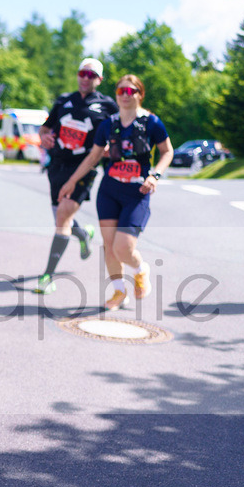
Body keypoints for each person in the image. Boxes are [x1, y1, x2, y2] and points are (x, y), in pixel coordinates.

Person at [59, 74, 173, 310]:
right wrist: (72, 181)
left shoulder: (152, 123)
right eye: (121, 91)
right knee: (108, 246)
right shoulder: (108, 124)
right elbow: (93, 156)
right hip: (109, 191)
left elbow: (167, 152)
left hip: (136, 192)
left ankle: (141, 270)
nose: (124, 95)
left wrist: (156, 175)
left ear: (139, 94)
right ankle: (119, 292)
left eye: (130, 91)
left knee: (123, 247)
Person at [34, 58, 118, 294]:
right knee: (61, 220)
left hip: (84, 168)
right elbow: (45, 128)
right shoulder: (63, 101)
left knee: (62, 216)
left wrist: (112, 149)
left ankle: (47, 276)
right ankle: (83, 233)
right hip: (58, 166)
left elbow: (121, 131)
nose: (85, 78)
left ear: (99, 80)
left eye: (91, 75)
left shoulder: (108, 105)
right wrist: (44, 137)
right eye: (82, 73)